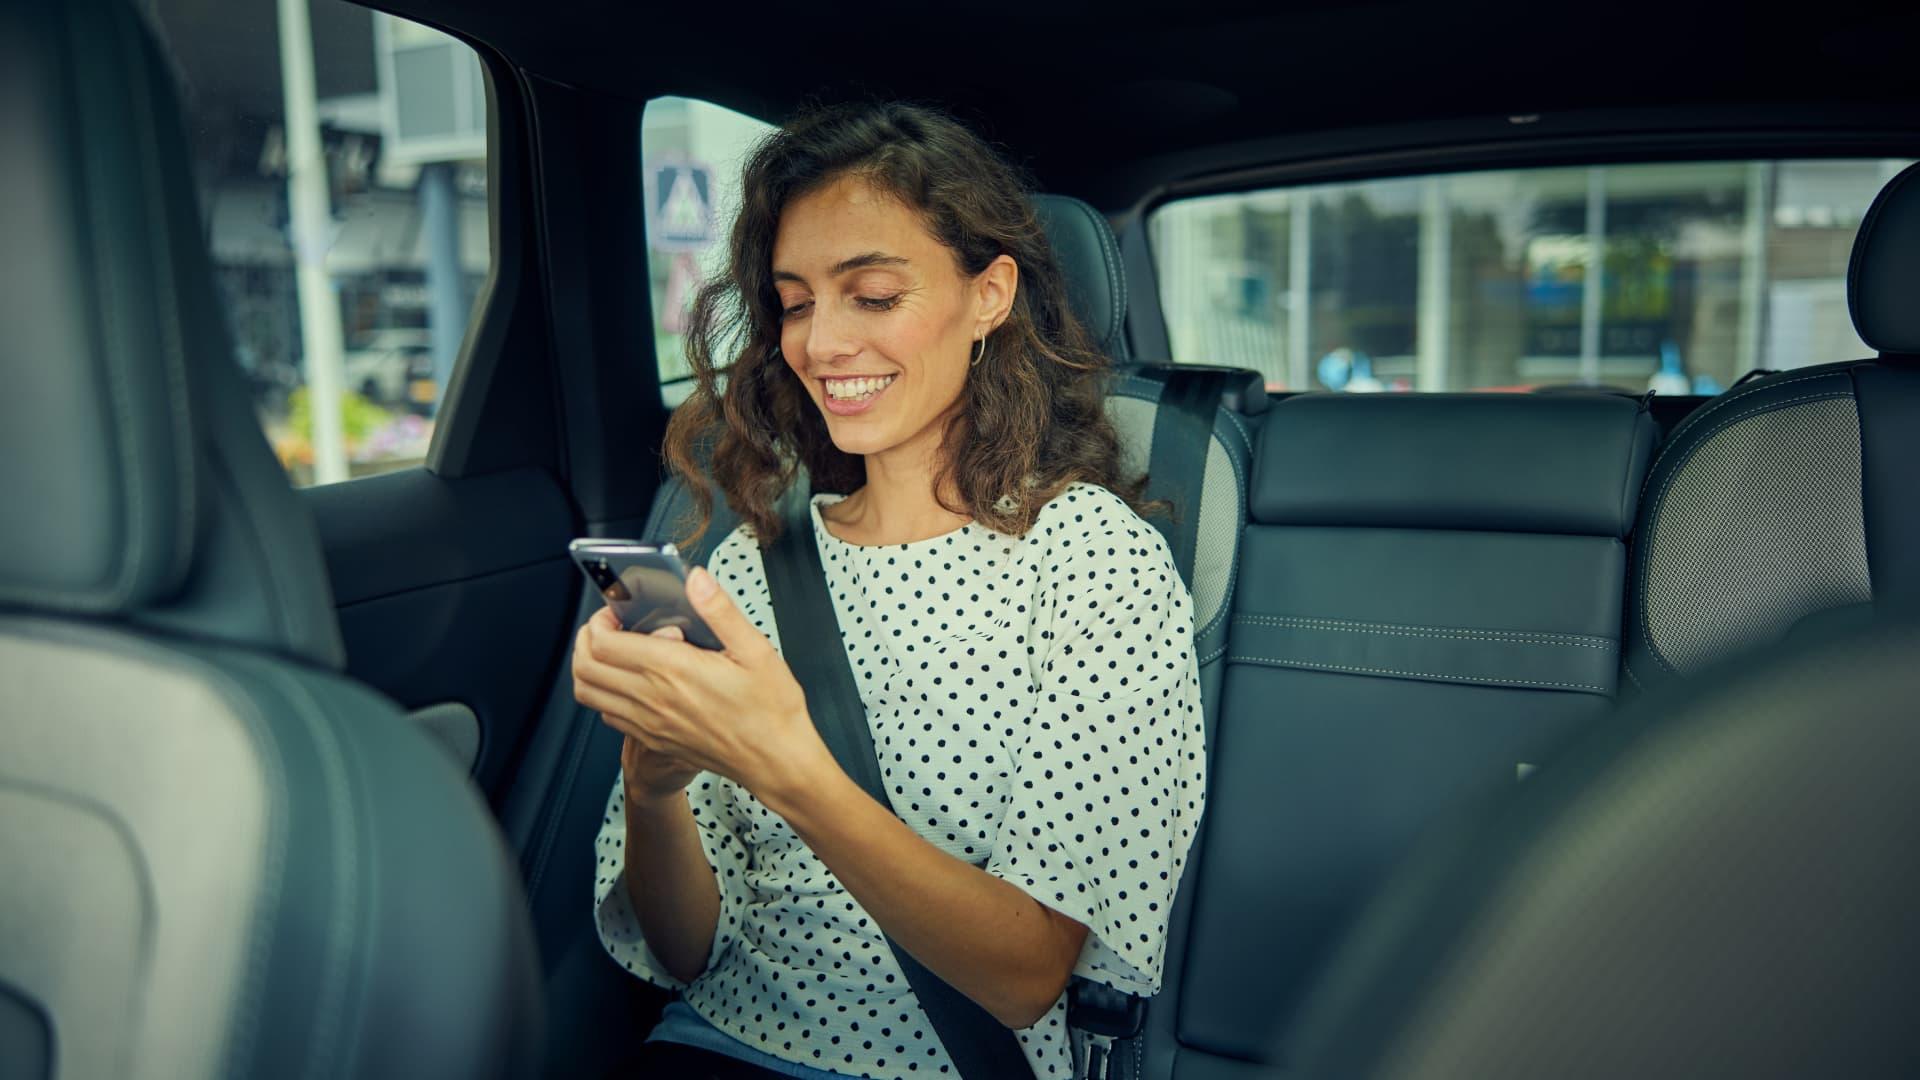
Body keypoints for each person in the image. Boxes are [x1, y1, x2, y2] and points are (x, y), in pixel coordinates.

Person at [573, 101, 1205, 1080]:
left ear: (989, 294)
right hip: (705, 1049)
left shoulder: (1093, 564)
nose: (822, 343)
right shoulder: (754, 558)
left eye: (870, 295)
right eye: (793, 302)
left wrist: (792, 768)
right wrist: (652, 789)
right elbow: (684, 955)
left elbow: (1026, 973)